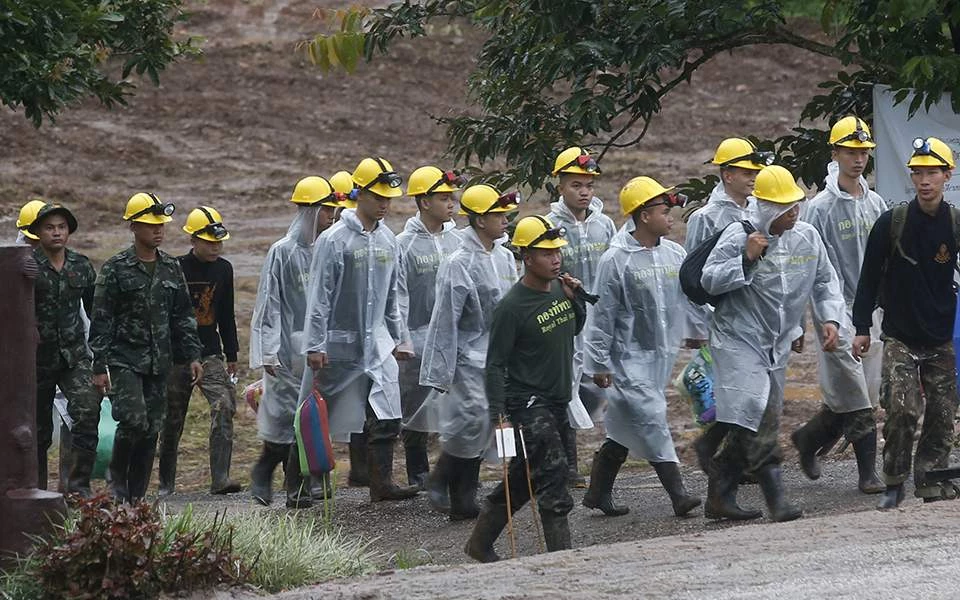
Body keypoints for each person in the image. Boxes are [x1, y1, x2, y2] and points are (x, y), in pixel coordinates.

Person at [701, 165, 844, 522]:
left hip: (776, 342)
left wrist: (830, 318)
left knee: (756, 416)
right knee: (758, 410)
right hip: (738, 338)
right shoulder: (739, 235)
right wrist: (745, 258)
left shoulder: (807, 238)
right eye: (785, 208)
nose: (794, 214)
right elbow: (708, 280)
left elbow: (825, 281)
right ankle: (776, 497)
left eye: (796, 206)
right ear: (765, 208)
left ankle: (719, 487)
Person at [466, 215, 587, 562]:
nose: (555, 259)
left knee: (525, 477)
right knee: (553, 477)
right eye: (546, 253)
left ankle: (479, 542)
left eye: (557, 252)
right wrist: (498, 415)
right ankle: (560, 560)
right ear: (527, 257)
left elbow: (574, 328)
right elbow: (495, 364)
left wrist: (575, 299)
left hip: (558, 400)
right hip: (529, 404)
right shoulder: (511, 308)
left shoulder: (558, 291)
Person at [582, 177, 701, 518]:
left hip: (660, 356)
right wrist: (599, 363)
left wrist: (697, 332)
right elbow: (602, 316)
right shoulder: (615, 261)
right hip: (627, 358)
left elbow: (687, 300)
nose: (671, 218)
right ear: (644, 215)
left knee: (626, 423)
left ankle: (598, 491)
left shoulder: (673, 253)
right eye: (665, 211)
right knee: (651, 417)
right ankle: (678, 495)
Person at [302, 157, 419, 503]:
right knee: (319, 411)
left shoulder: (388, 241)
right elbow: (319, 295)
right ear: (360, 193)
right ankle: (302, 483)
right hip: (339, 342)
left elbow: (396, 293)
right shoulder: (335, 240)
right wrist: (315, 343)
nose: (385, 203)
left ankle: (381, 483)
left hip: (378, 340)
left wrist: (399, 337)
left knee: (387, 408)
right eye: (378, 196)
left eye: (389, 197)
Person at [852, 136, 960, 509]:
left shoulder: (955, 222)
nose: (924, 180)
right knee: (901, 408)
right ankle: (894, 481)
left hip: (941, 334)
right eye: (918, 173)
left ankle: (930, 480)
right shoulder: (891, 223)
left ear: (948, 174)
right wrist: (861, 327)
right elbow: (867, 278)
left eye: (932, 172)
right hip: (899, 333)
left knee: (943, 412)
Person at [791, 116, 886, 494]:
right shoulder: (820, 208)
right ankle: (868, 473)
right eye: (850, 151)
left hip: (872, 312)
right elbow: (808, 266)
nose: (858, 159)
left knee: (864, 389)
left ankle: (808, 438)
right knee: (856, 394)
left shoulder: (875, 202)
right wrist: (807, 319)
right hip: (836, 310)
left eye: (863, 151)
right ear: (835, 153)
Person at [88, 192, 203, 503]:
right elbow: (102, 319)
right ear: (133, 227)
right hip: (124, 360)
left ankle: (135, 498)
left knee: (152, 428)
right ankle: (117, 483)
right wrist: (99, 366)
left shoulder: (170, 267)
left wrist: (192, 355)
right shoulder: (116, 268)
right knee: (133, 419)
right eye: (150, 225)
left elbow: (182, 315)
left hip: (159, 361)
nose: (158, 230)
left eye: (161, 225)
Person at [417, 183, 519, 519]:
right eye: (497, 214)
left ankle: (462, 500)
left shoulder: (504, 256)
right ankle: (440, 478)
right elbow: (445, 318)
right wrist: (442, 368)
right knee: (471, 420)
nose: (504, 220)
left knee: (485, 423)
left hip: (496, 357)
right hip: (466, 357)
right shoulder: (458, 263)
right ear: (478, 220)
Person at [249, 176, 341, 508]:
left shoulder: (330, 249)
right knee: (287, 419)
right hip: (288, 350)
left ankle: (302, 485)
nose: (332, 216)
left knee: (310, 419)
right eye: (326, 209)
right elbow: (268, 303)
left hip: (319, 351)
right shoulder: (282, 253)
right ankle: (267, 473)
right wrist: (268, 351)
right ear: (310, 210)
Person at [684, 138, 769, 473]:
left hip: (752, 315)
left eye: (754, 171)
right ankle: (729, 462)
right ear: (727, 173)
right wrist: (697, 327)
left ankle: (726, 455)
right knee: (736, 393)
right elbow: (691, 276)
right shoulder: (705, 218)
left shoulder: (755, 211)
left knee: (746, 392)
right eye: (745, 171)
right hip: (719, 316)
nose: (752, 177)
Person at [158, 206, 242, 496]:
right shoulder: (174, 267)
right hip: (176, 356)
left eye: (218, 242)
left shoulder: (224, 269)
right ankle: (166, 484)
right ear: (193, 240)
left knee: (224, 406)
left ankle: (220, 478)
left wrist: (232, 354)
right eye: (208, 242)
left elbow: (227, 314)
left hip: (210, 354)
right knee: (172, 420)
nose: (215, 247)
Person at [546, 146, 614, 487]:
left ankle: (607, 467)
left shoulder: (604, 225)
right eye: (576, 184)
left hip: (600, 320)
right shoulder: (549, 226)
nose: (584, 191)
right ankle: (567, 466)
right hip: (564, 321)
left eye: (589, 184)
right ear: (560, 186)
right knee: (563, 390)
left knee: (601, 388)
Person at [395, 166, 463, 489]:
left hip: (454, 338)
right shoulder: (403, 245)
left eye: (451, 197)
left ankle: (454, 472)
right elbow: (398, 295)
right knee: (415, 408)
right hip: (418, 337)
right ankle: (418, 472)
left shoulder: (458, 240)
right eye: (443, 197)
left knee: (456, 406)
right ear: (423, 201)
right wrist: (403, 337)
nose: (451, 203)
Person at [29, 203, 100, 496]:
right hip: (36, 359)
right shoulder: (27, 266)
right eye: (49, 227)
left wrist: (101, 359)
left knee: (88, 411)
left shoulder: (81, 265)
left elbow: (98, 312)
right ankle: (36, 490)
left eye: (61, 227)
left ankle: (77, 488)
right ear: (38, 232)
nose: (56, 233)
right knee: (37, 430)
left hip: (74, 356)